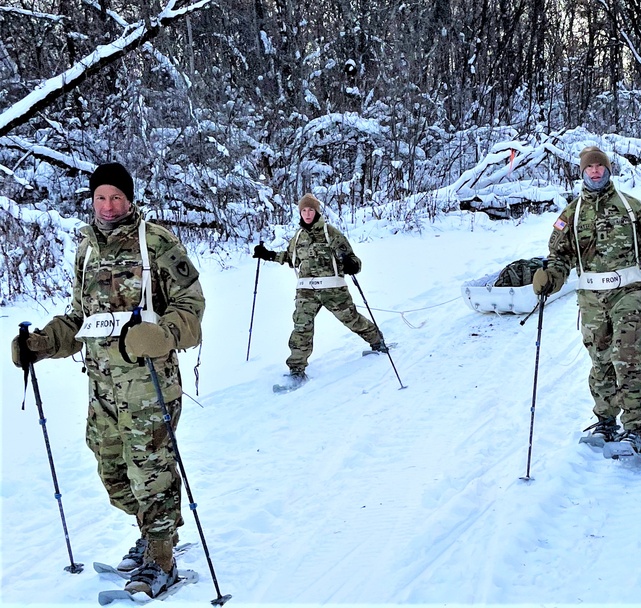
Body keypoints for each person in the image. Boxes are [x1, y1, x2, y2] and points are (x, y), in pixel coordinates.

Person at [10, 162, 205, 597]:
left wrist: (163, 334)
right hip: (102, 389)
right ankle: (156, 532)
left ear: (130, 199)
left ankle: (160, 558)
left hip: (149, 386)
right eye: (101, 197)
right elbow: (82, 318)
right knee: (114, 472)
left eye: (116, 196)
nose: (108, 205)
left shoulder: (156, 243)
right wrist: (43, 343)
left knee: (151, 473)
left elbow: (192, 308)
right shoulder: (85, 250)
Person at [532, 146, 641, 453]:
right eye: (590, 168)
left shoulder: (631, 207)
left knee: (627, 356)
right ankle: (606, 421)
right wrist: (550, 278)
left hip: (628, 293)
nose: (595, 171)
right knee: (600, 360)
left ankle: (635, 428)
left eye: (600, 167)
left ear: (608, 170)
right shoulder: (570, 215)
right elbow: (559, 256)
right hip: (591, 299)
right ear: (582, 172)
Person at [253, 193, 388, 385]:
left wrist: (351, 265)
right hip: (306, 291)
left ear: (317, 211)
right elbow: (290, 258)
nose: (307, 214)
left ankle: (378, 342)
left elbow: (354, 260)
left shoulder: (330, 233)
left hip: (333, 291)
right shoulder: (298, 236)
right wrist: (268, 255)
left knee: (352, 320)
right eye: (304, 210)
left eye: (310, 210)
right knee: (302, 327)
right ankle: (296, 370)